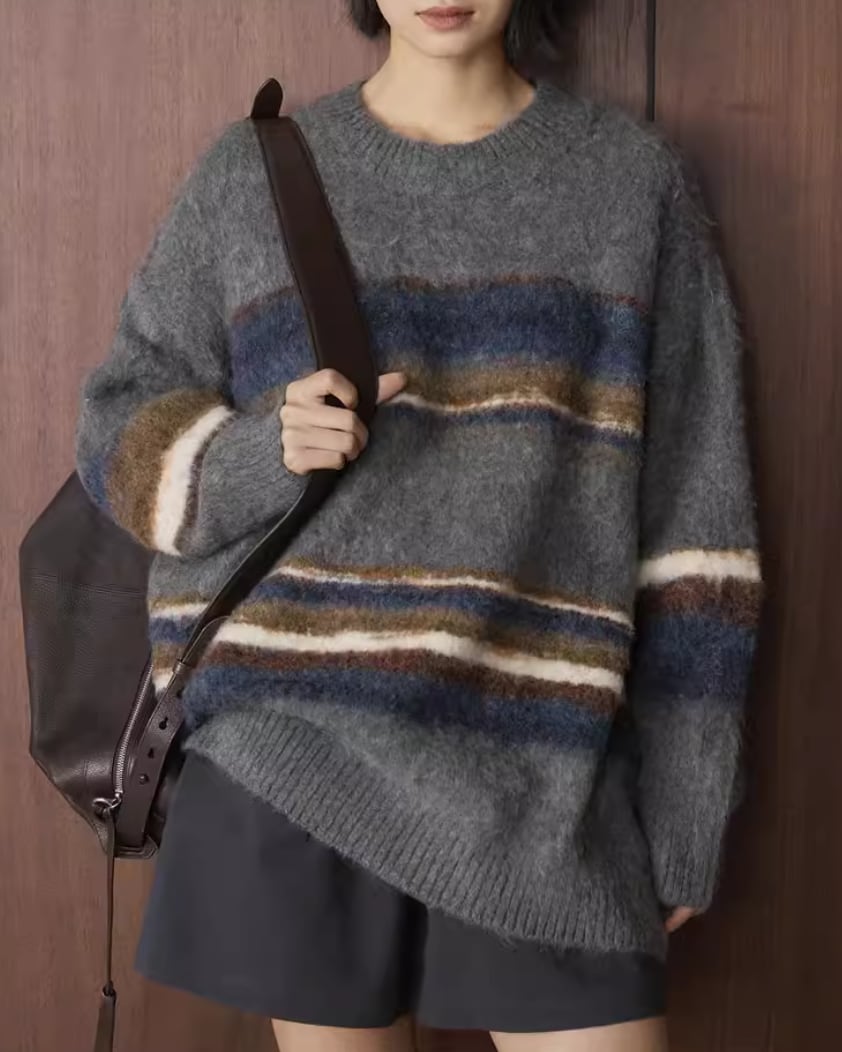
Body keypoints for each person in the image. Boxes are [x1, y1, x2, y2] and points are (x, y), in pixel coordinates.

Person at [73, 1, 763, 1049]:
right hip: (290, 750)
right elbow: (116, 426)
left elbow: (696, 525)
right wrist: (262, 451)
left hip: (546, 769)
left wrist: (684, 803)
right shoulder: (250, 177)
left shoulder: (629, 186)